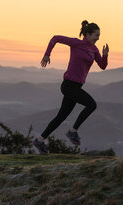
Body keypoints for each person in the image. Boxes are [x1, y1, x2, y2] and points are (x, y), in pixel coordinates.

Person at [32, 20, 109, 155]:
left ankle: (40, 140)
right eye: (96, 35)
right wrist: (47, 54)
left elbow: (102, 66)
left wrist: (105, 55)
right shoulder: (76, 43)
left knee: (60, 117)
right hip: (68, 85)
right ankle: (73, 132)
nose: (98, 38)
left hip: (76, 87)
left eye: (99, 36)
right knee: (92, 105)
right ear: (88, 34)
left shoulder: (94, 49)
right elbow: (55, 38)